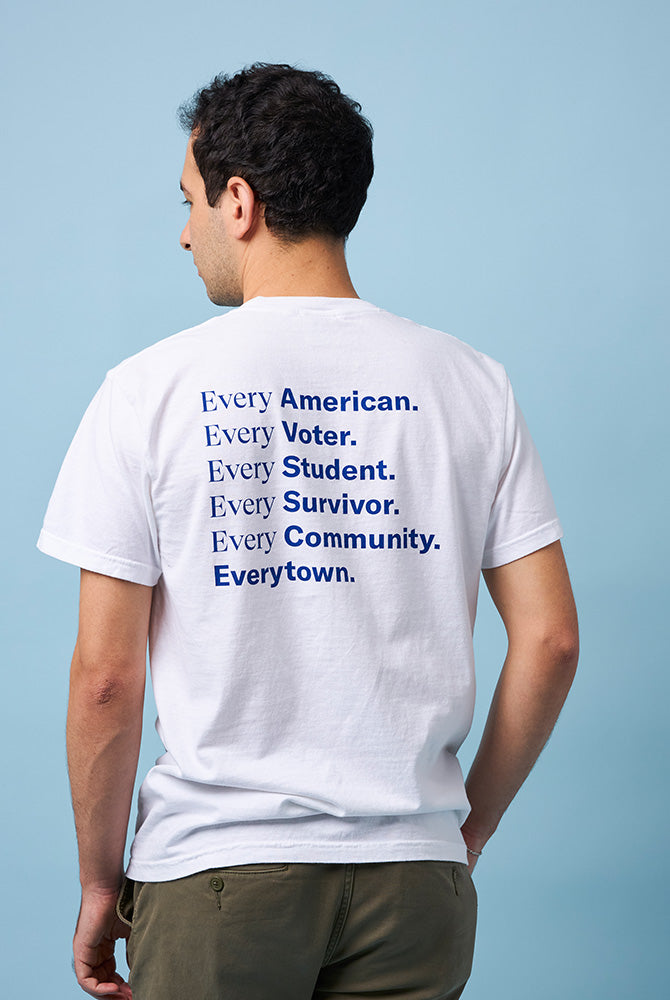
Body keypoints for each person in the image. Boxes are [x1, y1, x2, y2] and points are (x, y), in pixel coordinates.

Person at [38, 63, 578, 1000]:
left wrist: (98, 883)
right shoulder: (470, 384)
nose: (184, 231)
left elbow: (106, 681)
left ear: (238, 202)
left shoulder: (148, 392)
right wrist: (464, 830)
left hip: (216, 875)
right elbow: (552, 638)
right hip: (418, 880)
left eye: (190, 200)